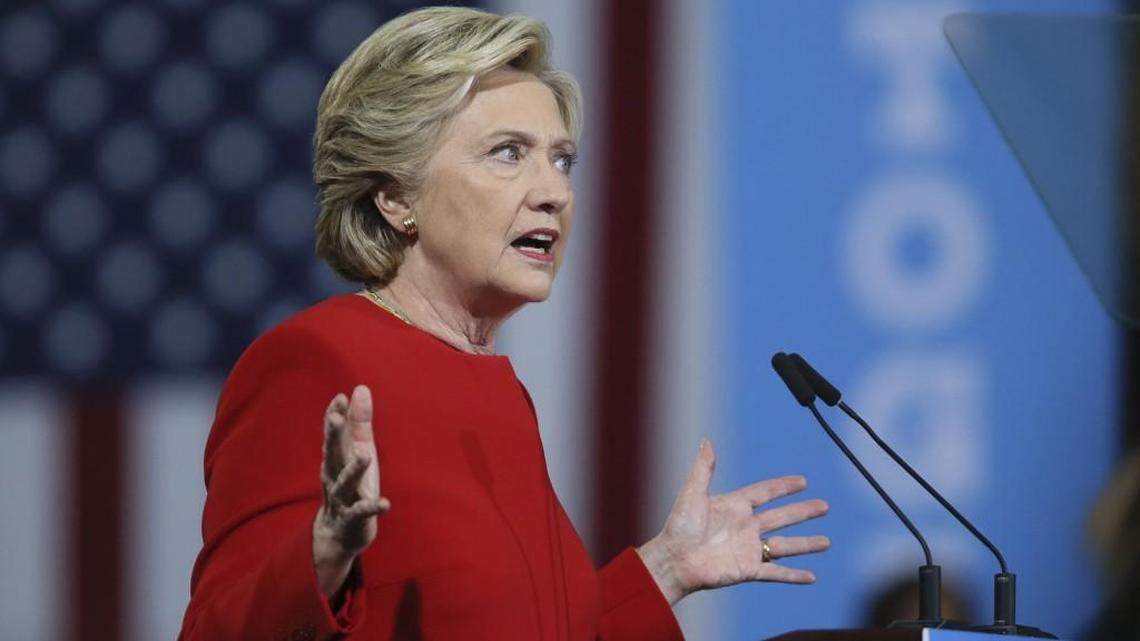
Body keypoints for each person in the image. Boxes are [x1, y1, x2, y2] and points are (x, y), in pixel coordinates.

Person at [177, 7, 830, 640]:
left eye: (562, 159)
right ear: (397, 195)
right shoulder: (316, 361)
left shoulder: (496, 394)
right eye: (508, 152)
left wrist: (666, 570)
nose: (555, 191)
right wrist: (322, 553)